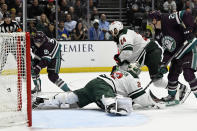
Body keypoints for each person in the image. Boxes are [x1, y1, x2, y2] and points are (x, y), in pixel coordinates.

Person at [109, 21, 189, 105]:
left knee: (156, 80)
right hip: (145, 53)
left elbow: (127, 52)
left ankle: (180, 88)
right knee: (130, 74)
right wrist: (120, 62)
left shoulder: (124, 36)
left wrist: (119, 59)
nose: (113, 33)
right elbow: (129, 54)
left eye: (114, 30)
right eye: (111, 32)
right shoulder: (123, 36)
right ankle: (132, 93)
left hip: (150, 51)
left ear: (119, 28)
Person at [32, 68, 165, 116]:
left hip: (94, 82)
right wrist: (154, 103)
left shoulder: (120, 72)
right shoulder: (132, 78)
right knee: (110, 98)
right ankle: (111, 105)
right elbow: (141, 98)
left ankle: (42, 101)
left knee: (72, 98)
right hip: (103, 87)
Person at [148, 10, 196, 102]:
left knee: (188, 74)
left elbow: (185, 14)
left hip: (188, 48)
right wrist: (164, 63)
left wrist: (189, 29)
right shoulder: (158, 35)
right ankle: (172, 97)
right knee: (172, 76)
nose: (149, 24)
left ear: (154, 20)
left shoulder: (166, 19)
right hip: (177, 54)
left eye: (150, 21)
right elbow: (168, 50)